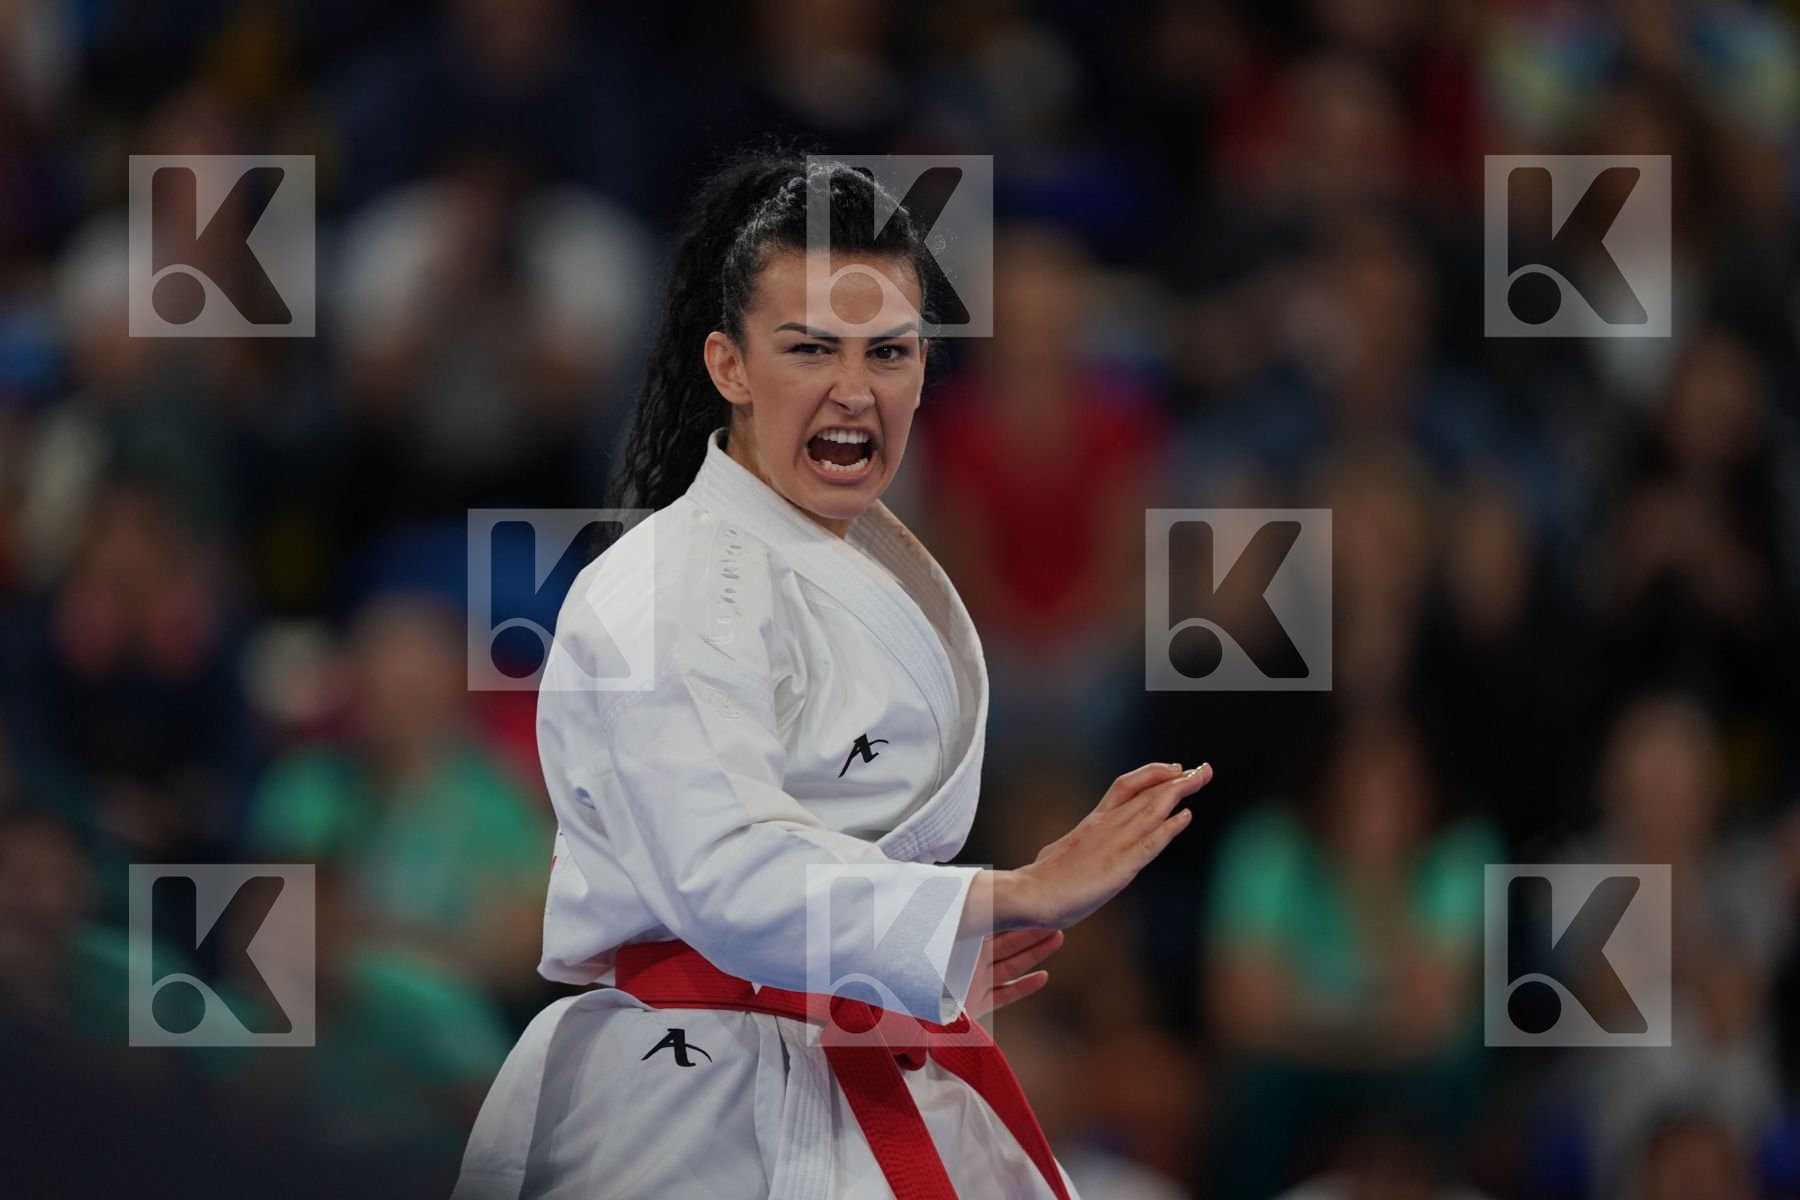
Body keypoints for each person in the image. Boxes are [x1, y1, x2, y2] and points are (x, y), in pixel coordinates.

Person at [452, 153, 1213, 1199]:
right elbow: (726, 875)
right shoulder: (663, 586)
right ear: (728, 365)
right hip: (685, 1098)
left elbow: (836, 861)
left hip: (849, 1056)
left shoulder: (868, 566)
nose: (856, 391)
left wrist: (915, 955)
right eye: (810, 349)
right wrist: (998, 896)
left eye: (889, 353)